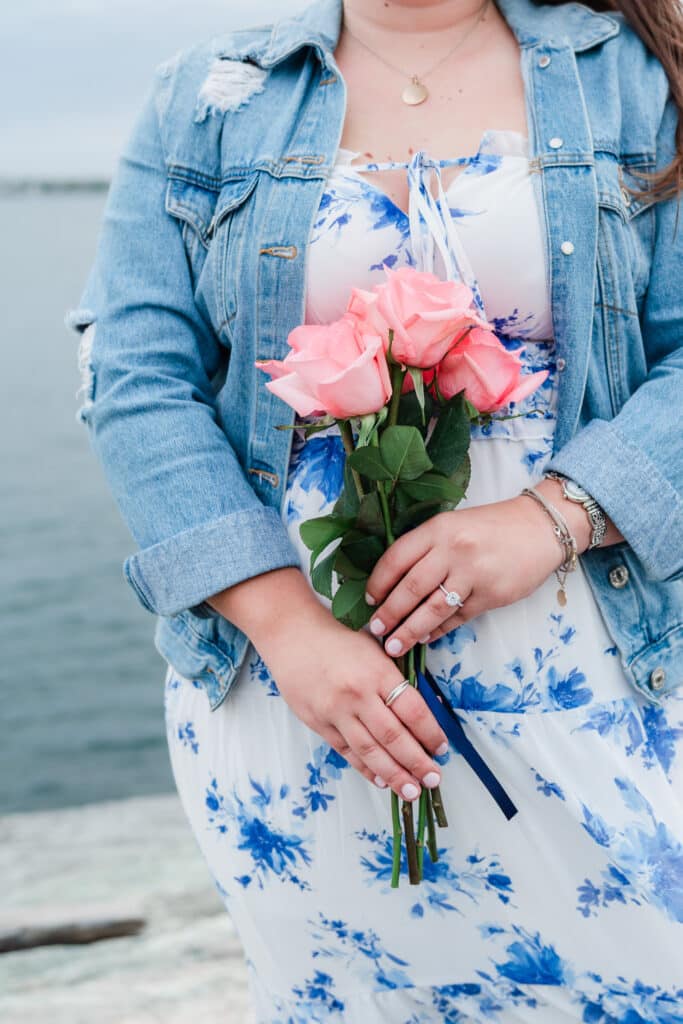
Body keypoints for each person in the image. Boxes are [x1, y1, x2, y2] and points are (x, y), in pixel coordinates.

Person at [66, 0, 683, 1019]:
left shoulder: (629, 76)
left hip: (602, 682)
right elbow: (134, 378)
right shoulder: (208, 96)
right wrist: (286, 628)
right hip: (302, 703)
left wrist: (550, 516)